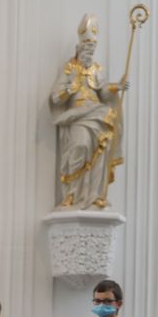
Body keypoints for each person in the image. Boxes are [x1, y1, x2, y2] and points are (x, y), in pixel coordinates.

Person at [49, 14, 130, 210]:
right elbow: (55, 97)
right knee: (80, 145)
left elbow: (101, 89)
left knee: (100, 151)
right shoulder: (70, 69)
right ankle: (72, 194)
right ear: (80, 49)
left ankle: (94, 195)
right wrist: (69, 89)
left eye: (92, 50)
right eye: (87, 49)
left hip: (97, 112)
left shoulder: (96, 69)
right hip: (78, 114)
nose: (90, 54)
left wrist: (116, 87)